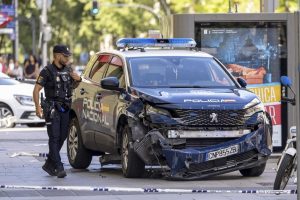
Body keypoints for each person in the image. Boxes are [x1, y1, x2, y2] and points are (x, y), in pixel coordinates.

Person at [32, 45, 81, 178]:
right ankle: (58, 167)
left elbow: (72, 86)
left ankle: (49, 163)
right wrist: (37, 107)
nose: (67, 58)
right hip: (52, 108)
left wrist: (78, 80)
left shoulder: (68, 70)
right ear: (57, 55)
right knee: (54, 137)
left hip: (65, 107)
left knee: (63, 135)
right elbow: (36, 90)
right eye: (65, 56)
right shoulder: (47, 71)